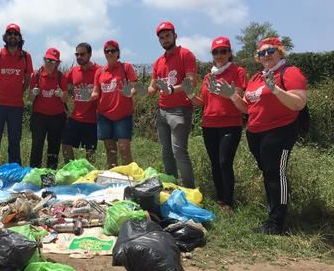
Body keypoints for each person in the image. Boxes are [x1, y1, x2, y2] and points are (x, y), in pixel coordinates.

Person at [219, 37, 307, 234]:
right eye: (261, 53)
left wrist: (275, 89)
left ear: (280, 52)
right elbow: (247, 107)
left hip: (280, 131)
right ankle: (273, 214)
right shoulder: (257, 78)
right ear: (257, 57)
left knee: (276, 174)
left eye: (270, 51)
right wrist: (232, 95)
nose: (266, 55)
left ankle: (277, 223)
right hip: (256, 133)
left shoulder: (289, 72)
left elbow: (299, 103)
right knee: (268, 173)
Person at [181, 37, 246, 209]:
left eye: (223, 51)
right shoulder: (209, 76)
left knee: (225, 162)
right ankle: (220, 198)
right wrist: (189, 95)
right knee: (215, 162)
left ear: (230, 53)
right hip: (209, 125)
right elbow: (202, 101)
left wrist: (228, 93)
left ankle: (228, 201)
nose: (219, 55)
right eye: (216, 52)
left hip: (230, 124)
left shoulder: (237, 71)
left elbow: (238, 96)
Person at [148, 21, 198, 188]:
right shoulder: (158, 62)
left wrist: (171, 90)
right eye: (161, 38)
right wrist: (137, 91)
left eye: (167, 36)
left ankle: (189, 189)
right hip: (162, 111)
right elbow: (152, 88)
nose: (165, 40)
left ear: (175, 36)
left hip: (180, 110)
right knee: (166, 152)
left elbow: (191, 82)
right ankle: (172, 186)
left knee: (179, 152)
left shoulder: (186, 55)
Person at [0, 23, 33, 164]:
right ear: (5, 37)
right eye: (10, 33)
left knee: (14, 139)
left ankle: (14, 170)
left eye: (15, 34)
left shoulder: (26, 56)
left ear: (19, 38)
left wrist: (18, 93)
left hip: (16, 106)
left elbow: (27, 80)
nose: (12, 36)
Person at [91, 40, 139, 168]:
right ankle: (113, 180)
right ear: (104, 54)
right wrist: (88, 97)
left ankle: (130, 179)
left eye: (113, 50)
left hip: (123, 115)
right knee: (110, 151)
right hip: (104, 116)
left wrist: (131, 92)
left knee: (124, 149)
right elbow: (96, 93)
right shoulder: (100, 72)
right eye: (107, 51)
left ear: (118, 53)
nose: (110, 53)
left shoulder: (126, 67)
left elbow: (135, 86)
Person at [28, 47, 68, 169]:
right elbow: (30, 98)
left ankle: (50, 176)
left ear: (57, 63)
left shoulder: (61, 77)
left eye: (53, 61)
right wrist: (33, 93)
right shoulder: (36, 75)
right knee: (37, 146)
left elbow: (65, 99)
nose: (49, 63)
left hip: (57, 117)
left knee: (54, 147)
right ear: (44, 60)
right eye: (48, 60)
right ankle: (34, 174)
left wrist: (61, 94)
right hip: (39, 116)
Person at [62, 42, 99, 164]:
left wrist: (91, 96)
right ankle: (72, 170)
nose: (79, 57)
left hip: (92, 119)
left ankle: (88, 176)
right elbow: (61, 82)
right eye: (77, 54)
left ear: (90, 54)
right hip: (75, 117)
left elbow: (106, 92)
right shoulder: (73, 71)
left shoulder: (99, 71)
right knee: (66, 144)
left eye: (82, 54)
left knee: (90, 152)